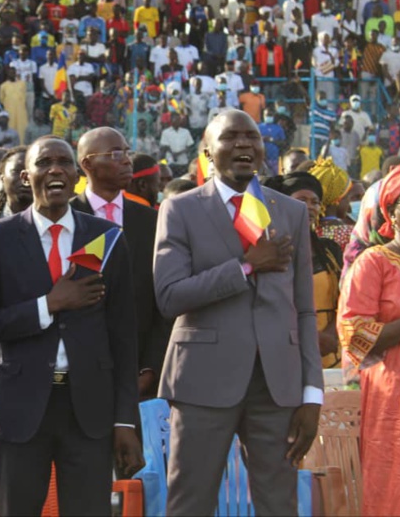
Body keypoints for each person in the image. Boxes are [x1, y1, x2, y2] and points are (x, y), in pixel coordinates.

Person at [0, 136, 144, 515]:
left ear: (78, 174)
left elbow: (124, 337)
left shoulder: (107, 238)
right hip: (19, 411)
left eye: (64, 162)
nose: (55, 169)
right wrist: (48, 305)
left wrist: (125, 419)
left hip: (89, 413)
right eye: (44, 162)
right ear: (27, 176)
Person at [154, 110, 322, 515]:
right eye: (231, 137)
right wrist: (246, 266)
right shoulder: (180, 209)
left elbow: (303, 308)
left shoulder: (291, 212)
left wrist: (312, 392)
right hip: (202, 381)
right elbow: (170, 296)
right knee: (190, 501)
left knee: (279, 503)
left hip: (276, 384)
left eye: (253, 137)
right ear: (208, 151)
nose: (245, 144)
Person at [338, 161, 400, 515]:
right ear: (392, 211)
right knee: (399, 488)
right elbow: (356, 337)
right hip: (399, 403)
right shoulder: (375, 263)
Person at [70, 128, 167, 399]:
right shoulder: (66, 219)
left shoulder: (152, 221)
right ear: (87, 164)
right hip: (78, 373)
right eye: (115, 154)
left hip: (141, 372)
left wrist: (151, 366)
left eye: (127, 152)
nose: (127, 161)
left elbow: (164, 299)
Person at [265, 172, 343, 369]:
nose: (309, 206)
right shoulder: (267, 251)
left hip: (332, 351)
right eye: (301, 200)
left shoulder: (329, 250)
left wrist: (330, 335)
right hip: (287, 350)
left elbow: (344, 298)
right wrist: (307, 338)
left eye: (315, 202)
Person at [310, 158, 355, 252]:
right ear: (337, 199)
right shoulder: (351, 235)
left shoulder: (304, 231)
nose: (349, 205)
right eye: (347, 197)